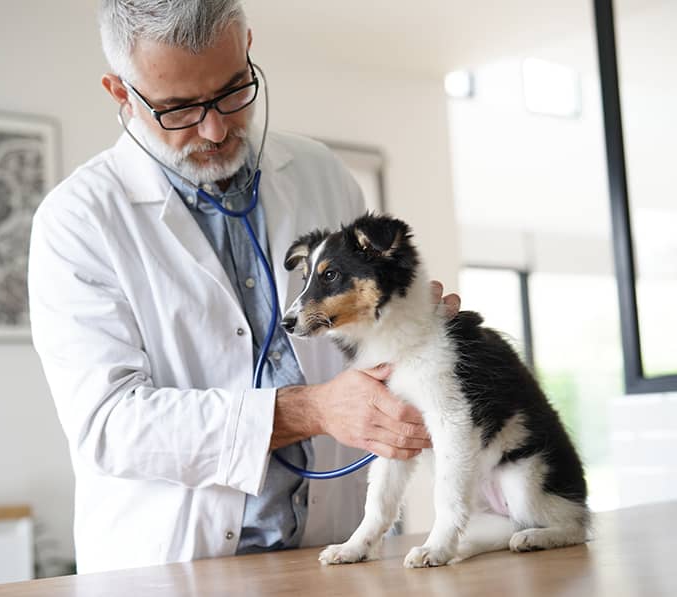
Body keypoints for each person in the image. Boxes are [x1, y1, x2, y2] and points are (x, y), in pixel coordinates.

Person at [28, 0, 460, 574]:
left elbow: (360, 343)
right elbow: (109, 426)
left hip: (328, 553)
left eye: (233, 91)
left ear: (247, 48)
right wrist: (313, 411)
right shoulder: (79, 221)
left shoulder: (319, 173)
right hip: (174, 568)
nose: (215, 128)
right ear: (121, 93)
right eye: (179, 108)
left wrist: (408, 334)